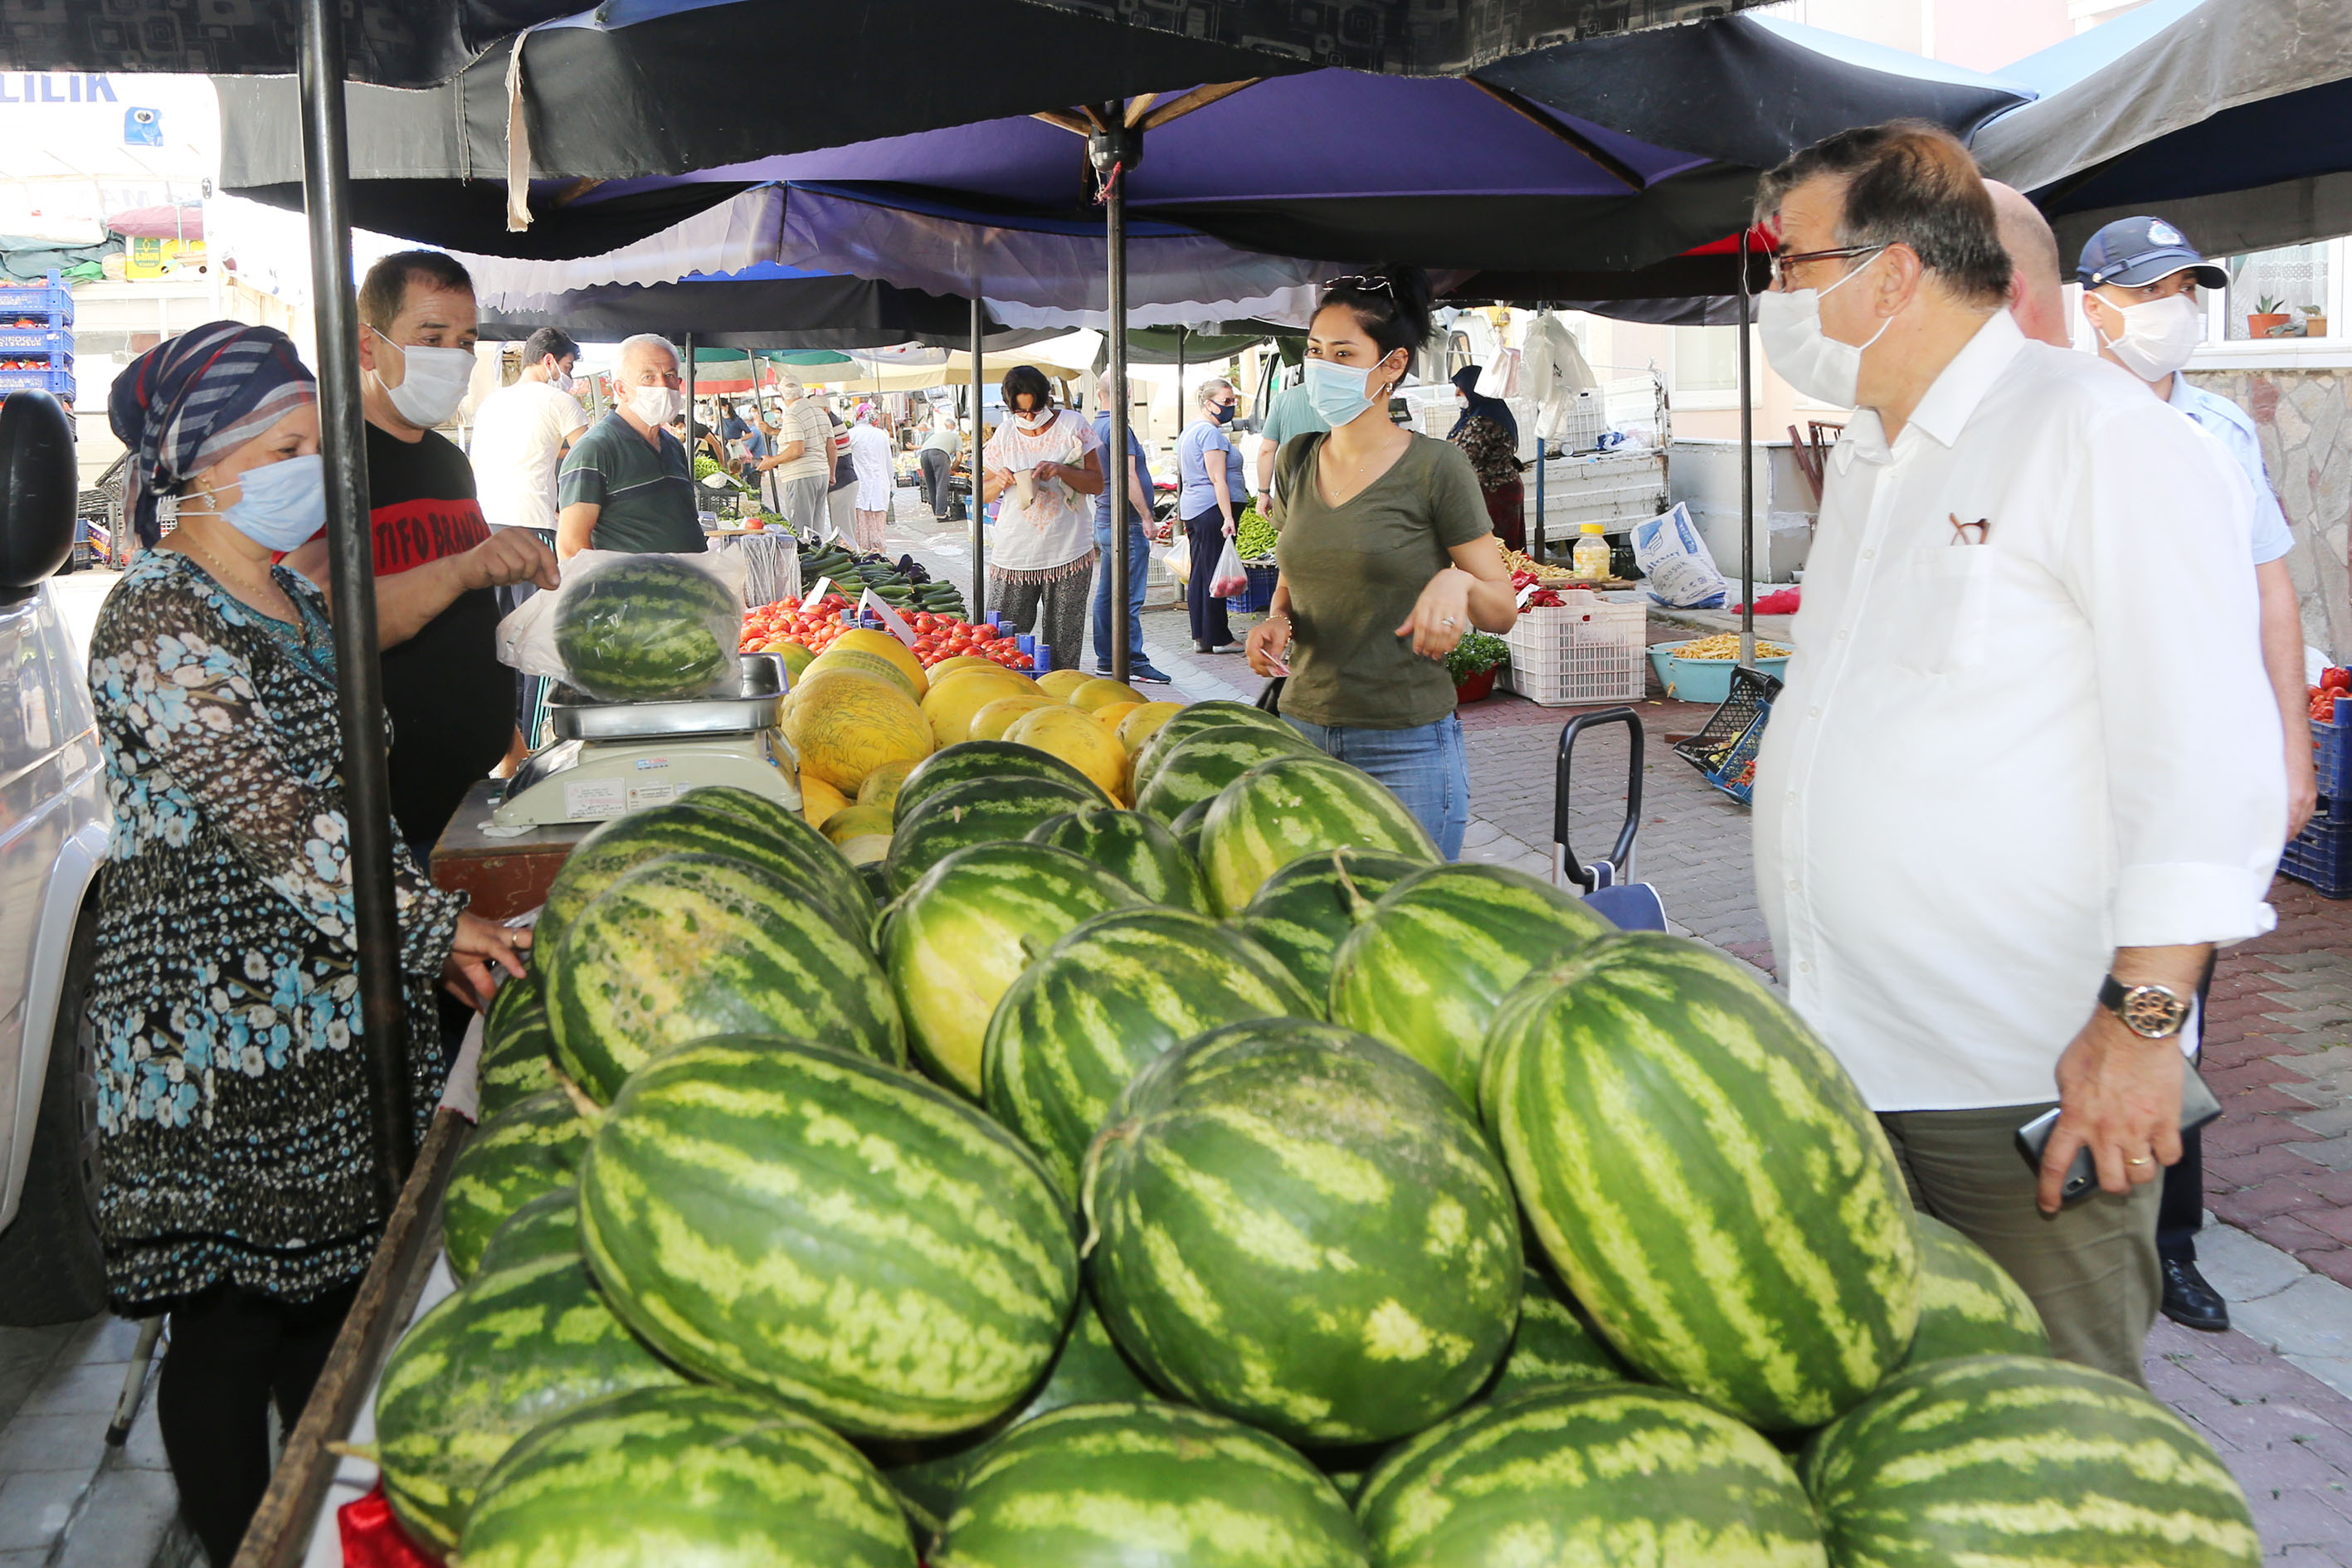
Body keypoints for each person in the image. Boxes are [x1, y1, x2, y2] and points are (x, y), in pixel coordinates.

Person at [1748, 122, 2284, 1384]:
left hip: (2024, 1081)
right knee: (1911, 1441)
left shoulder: (2094, 437)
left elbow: (2208, 761)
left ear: (1888, 275)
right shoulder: (1876, 458)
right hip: (1851, 1061)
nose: (1775, 297)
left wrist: (2139, 1029)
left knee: (2050, 1444)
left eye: (1789, 264)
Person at [93, 323, 531, 1566]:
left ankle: (312, 1523)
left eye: (312, 444)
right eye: (285, 448)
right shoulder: (153, 617)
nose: (310, 469)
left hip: (326, 1006)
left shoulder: (290, 595)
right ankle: (243, 1540)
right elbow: (279, 825)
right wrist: (437, 922)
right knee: (230, 1323)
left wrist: (424, 924)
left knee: (327, 1310)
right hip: (212, 1034)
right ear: (206, 469)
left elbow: (353, 809)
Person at [2074, 213, 2320, 1335]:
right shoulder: (2058, 427)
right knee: (2072, 987)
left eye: (2187, 287)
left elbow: (2272, 593)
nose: (2174, 308)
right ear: (2093, 303)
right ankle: (2075, 1212)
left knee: (2174, 1005)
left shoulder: (2221, 426)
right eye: (2150, 288)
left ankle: (2171, 1240)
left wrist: (2290, 747)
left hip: (2197, 763)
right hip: (2078, 766)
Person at [280, 251, 556, 861]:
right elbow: (321, 623)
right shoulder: (319, 464)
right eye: (431, 338)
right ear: (365, 346)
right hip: (375, 824)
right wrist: (459, 570)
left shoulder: (448, 462)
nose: (453, 359)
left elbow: (469, 622)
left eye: (465, 341)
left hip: (469, 795)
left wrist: (512, 746)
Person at [1243, 267, 1516, 859]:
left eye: (1342, 354)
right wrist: (1276, 620)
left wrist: (1455, 580)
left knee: (1404, 917)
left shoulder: (1436, 468)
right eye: (1314, 351)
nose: (1320, 367)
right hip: (1300, 729)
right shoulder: (1296, 459)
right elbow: (1294, 570)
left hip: (1406, 745)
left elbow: (1501, 610)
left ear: (1390, 366)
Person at [468, 325, 586, 753]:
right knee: (538, 642)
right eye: (569, 365)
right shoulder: (561, 401)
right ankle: (535, 746)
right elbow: (587, 461)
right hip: (533, 526)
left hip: (483, 528)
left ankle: (503, 745)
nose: (570, 374)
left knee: (501, 640)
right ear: (551, 361)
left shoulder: (491, 402)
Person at [981, 365, 1103, 674]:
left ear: (1046, 398)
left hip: (1068, 549)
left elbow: (1097, 484)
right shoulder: (1005, 433)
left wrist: (1062, 470)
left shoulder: (1073, 425)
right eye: (1022, 412)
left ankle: (1058, 698)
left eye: (1035, 409)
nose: (1030, 417)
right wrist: (1001, 482)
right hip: (1015, 552)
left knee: (1064, 638)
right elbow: (982, 492)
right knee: (1000, 641)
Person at [556, 333, 704, 557]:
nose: (663, 386)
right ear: (621, 389)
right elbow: (570, 546)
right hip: (631, 589)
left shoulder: (673, 446)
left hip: (687, 585)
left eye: (670, 375)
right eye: (648, 377)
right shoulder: (595, 449)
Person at [1091, 369, 1172, 683]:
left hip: (1105, 519)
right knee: (1129, 596)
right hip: (1125, 523)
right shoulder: (1117, 428)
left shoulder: (1096, 426)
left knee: (1108, 594)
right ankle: (1134, 660)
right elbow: (1127, 476)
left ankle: (1106, 658)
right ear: (1126, 395)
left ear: (1100, 394)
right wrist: (1148, 518)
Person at [1176, 378, 1247, 655]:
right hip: (1212, 509)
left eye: (1233, 400)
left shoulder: (1189, 432)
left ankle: (1202, 635)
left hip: (1195, 508)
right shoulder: (1210, 434)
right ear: (1209, 403)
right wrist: (1227, 517)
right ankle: (1219, 637)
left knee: (1202, 573)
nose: (1231, 406)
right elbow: (1218, 479)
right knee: (1216, 574)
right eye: (1226, 401)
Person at [1448, 365, 1527, 554]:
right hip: (1499, 490)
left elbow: (1463, 457)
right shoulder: (1485, 412)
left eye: (1462, 388)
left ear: (1475, 388)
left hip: (1494, 493)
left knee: (1499, 552)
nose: (1458, 393)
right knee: (1504, 550)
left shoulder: (1484, 420)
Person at [755, 375, 833, 536]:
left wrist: (772, 462)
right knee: (815, 529)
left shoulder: (793, 415)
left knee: (801, 529)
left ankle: (804, 560)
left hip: (801, 475)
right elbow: (831, 446)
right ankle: (817, 558)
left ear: (782, 396)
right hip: (821, 474)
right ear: (802, 391)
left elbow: (797, 448)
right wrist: (832, 472)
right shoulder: (818, 412)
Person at [1254, 369, 1329, 513]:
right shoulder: (1346, 400)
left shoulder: (1281, 400)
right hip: (1335, 485)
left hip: (1291, 484)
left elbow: (1266, 451)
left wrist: (1263, 492)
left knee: (1288, 532)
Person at [848, 404, 894, 553]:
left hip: (860, 487)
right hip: (881, 485)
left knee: (862, 527)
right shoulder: (882, 434)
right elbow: (889, 462)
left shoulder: (851, 434)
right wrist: (890, 484)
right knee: (878, 527)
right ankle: (880, 556)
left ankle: (863, 555)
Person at [918, 411, 961, 519]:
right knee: (942, 483)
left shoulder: (940, 435)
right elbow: (959, 458)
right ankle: (941, 513)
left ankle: (937, 511)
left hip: (924, 453)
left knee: (931, 484)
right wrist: (952, 469)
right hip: (939, 454)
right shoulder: (958, 437)